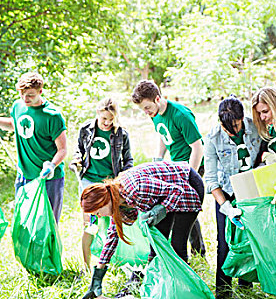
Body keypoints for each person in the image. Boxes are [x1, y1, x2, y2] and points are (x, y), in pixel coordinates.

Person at [80, 161, 204, 299]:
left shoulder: (136, 188)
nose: (99, 216)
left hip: (186, 184)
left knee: (177, 246)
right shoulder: (116, 201)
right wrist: (97, 278)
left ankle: (185, 291)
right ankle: (157, 289)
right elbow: (112, 238)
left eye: (98, 212)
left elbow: (176, 191)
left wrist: (161, 209)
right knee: (156, 247)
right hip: (164, 195)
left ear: (104, 201)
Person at [131, 80, 206, 256]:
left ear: (157, 99)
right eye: (143, 109)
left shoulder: (180, 115)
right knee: (181, 206)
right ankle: (191, 249)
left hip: (191, 165)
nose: (146, 112)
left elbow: (198, 147)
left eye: (147, 107)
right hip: (174, 167)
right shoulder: (155, 114)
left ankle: (198, 251)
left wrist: (189, 176)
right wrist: (158, 159)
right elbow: (163, 135)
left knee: (186, 205)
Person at [204, 95, 261, 298]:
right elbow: (210, 179)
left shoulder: (256, 126)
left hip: (252, 190)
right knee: (225, 243)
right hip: (227, 193)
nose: (233, 131)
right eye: (229, 128)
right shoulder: (212, 138)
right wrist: (226, 207)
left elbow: (264, 152)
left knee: (250, 240)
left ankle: (247, 287)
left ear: (242, 118)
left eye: (236, 126)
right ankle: (223, 291)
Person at [69, 98, 134, 272]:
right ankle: (86, 266)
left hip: (110, 185)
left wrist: (123, 174)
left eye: (111, 119)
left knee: (112, 225)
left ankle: (109, 263)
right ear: (97, 113)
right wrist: (76, 160)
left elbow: (128, 160)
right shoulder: (86, 129)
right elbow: (79, 150)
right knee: (90, 225)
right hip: (89, 182)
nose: (107, 123)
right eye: (104, 118)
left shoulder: (122, 134)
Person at [0, 72, 67, 222]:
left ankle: (49, 247)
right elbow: (14, 124)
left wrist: (51, 165)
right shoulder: (18, 106)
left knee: (48, 224)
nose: (25, 98)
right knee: (25, 221)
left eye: (30, 95)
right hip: (24, 175)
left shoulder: (52, 115)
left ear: (40, 91)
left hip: (49, 178)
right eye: (22, 94)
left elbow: (62, 149)